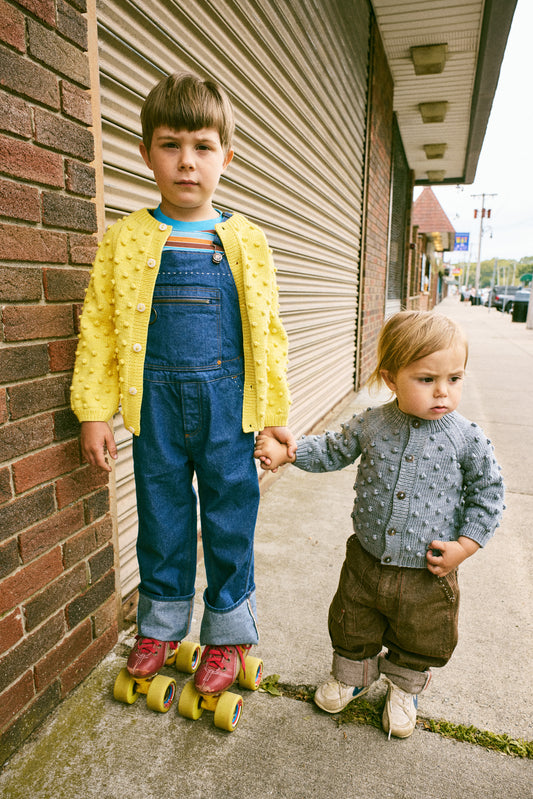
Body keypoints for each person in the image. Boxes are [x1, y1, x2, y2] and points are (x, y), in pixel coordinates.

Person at [71, 72, 294, 697]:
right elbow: (99, 329)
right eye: (170, 145)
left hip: (231, 409)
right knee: (162, 518)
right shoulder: (124, 240)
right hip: (156, 411)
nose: (186, 162)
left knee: (230, 518)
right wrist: (94, 411)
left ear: (227, 153)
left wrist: (275, 415)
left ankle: (228, 634)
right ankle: (162, 624)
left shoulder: (247, 240)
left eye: (201, 146)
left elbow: (269, 331)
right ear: (146, 154)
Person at [254, 310, 504, 739]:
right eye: (426, 379)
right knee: (353, 622)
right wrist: (288, 454)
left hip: (428, 571)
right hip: (366, 559)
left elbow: (489, 494)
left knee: (421, 636)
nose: (443, 391)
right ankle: (353, 677)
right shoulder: (372, 424)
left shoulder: (467, 438)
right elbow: (333, 449)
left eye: (455, 379)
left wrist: (465, 546)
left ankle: (404, 689)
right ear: (391, 379)